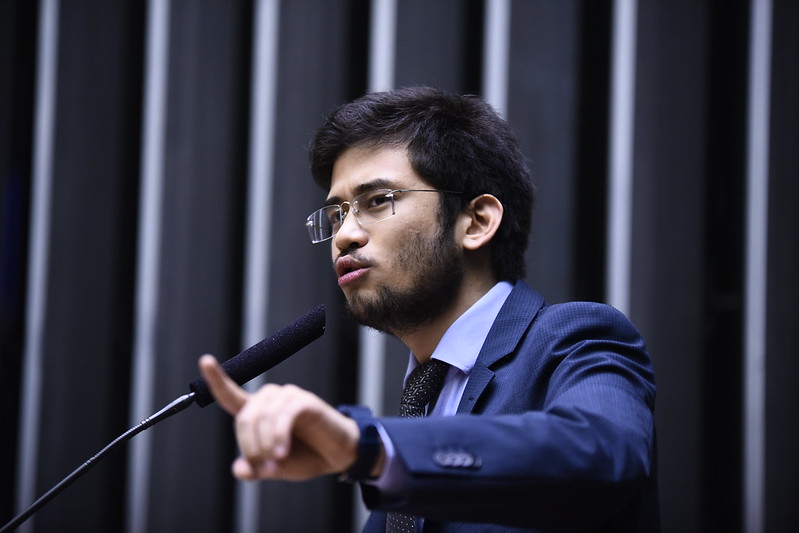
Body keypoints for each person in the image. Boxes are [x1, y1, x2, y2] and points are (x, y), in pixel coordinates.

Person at [198, 86, 659, 532]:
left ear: (476, 221)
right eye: (337, 214)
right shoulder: (419, 406)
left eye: (377, 201)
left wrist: (368, 449)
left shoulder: (575, 338)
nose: (344, 236)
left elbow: (602, 453)